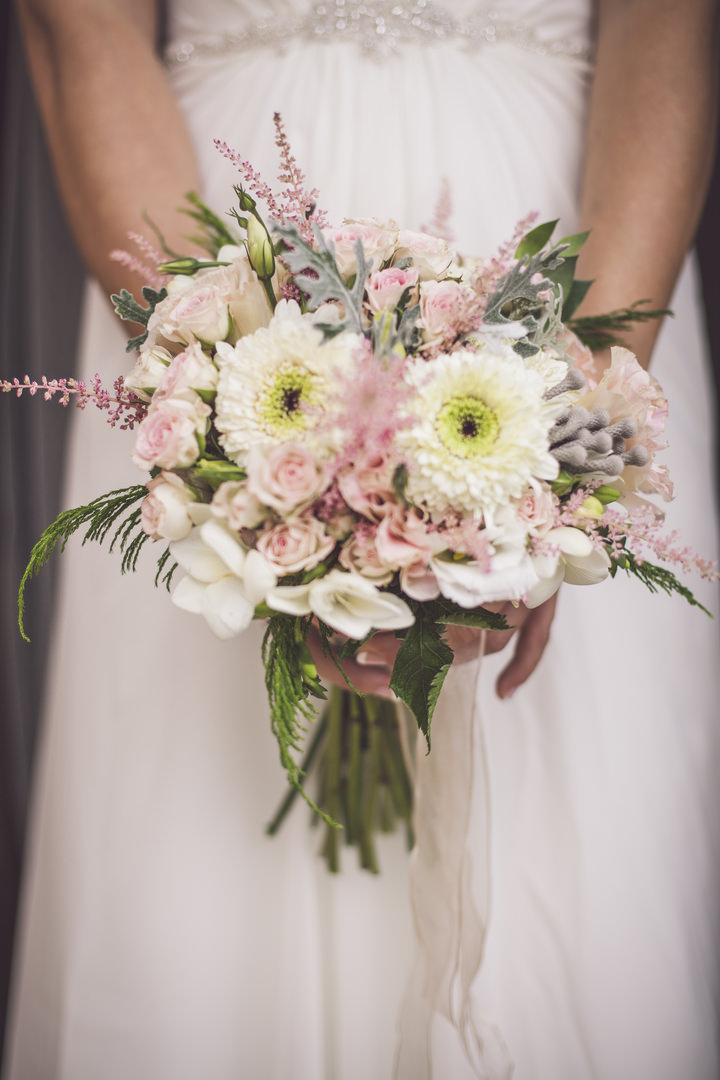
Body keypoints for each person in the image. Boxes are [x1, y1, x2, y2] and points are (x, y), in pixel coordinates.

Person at [5, 1, 719, 1078]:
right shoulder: (207, 330)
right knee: (197, 894)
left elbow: (670, 29)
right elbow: (83, 31)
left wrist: (568, 457)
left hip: (569, 249)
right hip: (202, 238)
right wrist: (219, 416)